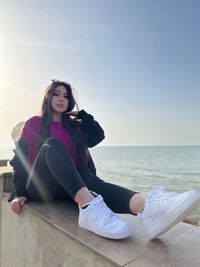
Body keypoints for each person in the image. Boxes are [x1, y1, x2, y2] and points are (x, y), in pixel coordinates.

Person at [9, 79, 200, 240]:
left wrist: (84, 117)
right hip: (41, 186)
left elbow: (97, 136)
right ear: (48, 97)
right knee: (53, 144)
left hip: (70, 187)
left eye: (66, 96)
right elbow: (19, 161)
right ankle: (89, 208)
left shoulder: (74, 127)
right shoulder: (33, 124)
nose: (61, 99)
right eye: (57, 94)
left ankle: (148, 208)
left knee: (91, 180)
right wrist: (18, 193)